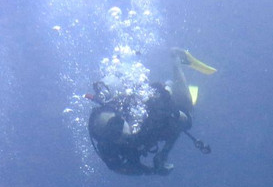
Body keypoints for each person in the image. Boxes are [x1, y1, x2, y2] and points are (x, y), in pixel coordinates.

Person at [87, 48, 215, 176]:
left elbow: (181, 122)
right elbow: (118, 167)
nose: (126, 138)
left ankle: (176, 60)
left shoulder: (152, 110)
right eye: (122, 138)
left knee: (187, 109)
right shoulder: (108, 148)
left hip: (160, 100)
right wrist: (152, 170)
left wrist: (164, 153)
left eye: (126, 136)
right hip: (149, 113)